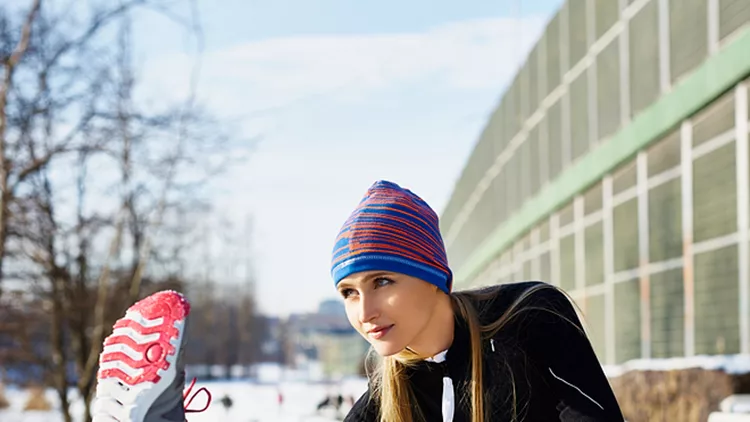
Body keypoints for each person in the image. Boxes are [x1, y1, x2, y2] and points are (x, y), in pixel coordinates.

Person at [332, 180, 624, 422]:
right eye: (349, 292)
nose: (365, 312)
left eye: (382, 282)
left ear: (433, 277)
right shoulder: (385, 398)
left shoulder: (529, 317)